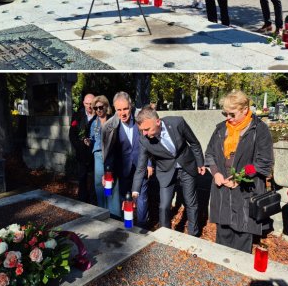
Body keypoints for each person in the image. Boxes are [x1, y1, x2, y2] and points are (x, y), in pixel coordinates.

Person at [204, 91, 274, 253]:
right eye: (225, 113)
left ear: (244, 109)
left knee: (242, 233)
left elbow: (263, 162)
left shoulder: (259, 129)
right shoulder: (221, 129)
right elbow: (210, 154)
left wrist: (239, 177)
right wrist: (216, 173)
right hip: (222, 189)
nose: (228, 117)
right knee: (223, 232)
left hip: (246, 189)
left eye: (232, 114)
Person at [132, 107, 205, 236]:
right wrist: (135, 192)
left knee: (190, 203)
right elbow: (141, 167)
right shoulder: (144, 140)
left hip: (186, 166)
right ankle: (164, 235)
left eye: (147, 129)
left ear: (158, 122)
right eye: (141, 130)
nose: (144, 133)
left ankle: (193, 235)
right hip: (165, 171)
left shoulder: (177, 123)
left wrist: (200, 162)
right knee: (164, 206)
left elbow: (194, 142)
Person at [101, 92, 151, 226]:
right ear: (114, 109)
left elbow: (150, 141)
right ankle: (128, 227)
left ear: (131, 106)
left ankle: (142, 227)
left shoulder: (141, 118)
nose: (122, 113)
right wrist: (106, 173)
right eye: (119, 109)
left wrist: (150, 163)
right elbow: (108, 152)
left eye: (125, 109)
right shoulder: (109, 127)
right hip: (123, 169)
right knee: (125, 199)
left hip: (142, 166)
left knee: (142, 198)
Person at [85, 95, 112, 211]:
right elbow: (92, 138)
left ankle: (111, 210)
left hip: (110, 154)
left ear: (106, 107)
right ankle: (102, 210)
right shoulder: (94, 123)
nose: (98, 110)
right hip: (98, 154)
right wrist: (88, 141)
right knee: (98, 184)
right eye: (95, 108)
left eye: (100, 107)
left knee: (109, 182)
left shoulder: (113, 121)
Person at [69, 93, 96, 204]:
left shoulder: (99, 115)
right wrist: (80, 147)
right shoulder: (77, 116)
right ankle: (82, 203)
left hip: (95, 154)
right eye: (87, 104)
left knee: (95, 181)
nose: (89, 106)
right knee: (82, 179)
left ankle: (94, 202)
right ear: (83, 103)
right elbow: (72, 135)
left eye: (91, 104)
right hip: (81, 154)